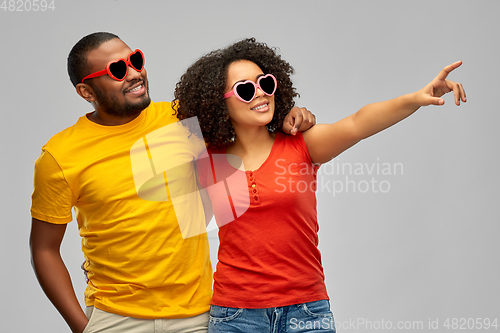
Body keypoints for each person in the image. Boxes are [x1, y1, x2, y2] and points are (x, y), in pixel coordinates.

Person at [173, 38, 466, 333]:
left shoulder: (302, 144)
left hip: (306, 313)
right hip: (235, 316)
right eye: (245, 90)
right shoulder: (207, 158)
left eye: (265, 83)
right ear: (217, 103)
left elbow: (357, 123)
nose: (260, 93)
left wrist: (416, 97)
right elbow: (164, 190)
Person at [29, 32, 316, 333]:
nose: (135, 73)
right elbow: (44, 249)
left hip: (198, 315)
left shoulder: (183, 120)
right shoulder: (60, 156)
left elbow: (251, 126)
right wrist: (81, 327)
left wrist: (291, 117)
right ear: (86, 92)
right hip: (115, 317)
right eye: (118, 70)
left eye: (135, 60)